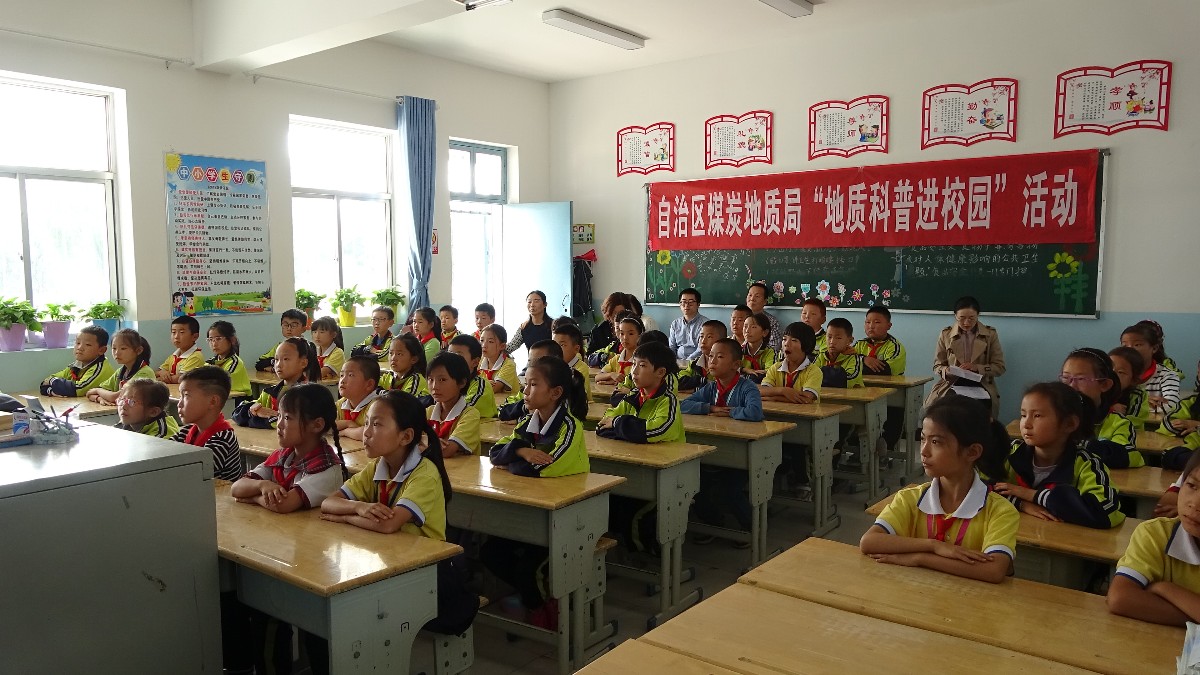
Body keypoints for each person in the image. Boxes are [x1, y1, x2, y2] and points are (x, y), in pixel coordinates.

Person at [860, 395, 1017, 583]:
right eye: (923, 439)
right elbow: (869, 542)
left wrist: (921, 558)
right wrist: (933, 546)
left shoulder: (999, 511)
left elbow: (993, 570)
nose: (924, 451)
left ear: (972, 452)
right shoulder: (910, 498)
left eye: (936, 442)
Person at [484, 356, 591, 629]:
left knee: (527, 568)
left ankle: (544, 606)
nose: (525, 391)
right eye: (526, 384)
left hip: (565, 517)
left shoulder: (570, 427)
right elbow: (495, 453)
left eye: (533, 385)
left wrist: (514, 462)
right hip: (532, 510)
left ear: (555, 393)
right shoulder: (528, 422)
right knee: (490, 552)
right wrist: (521, 451)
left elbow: (544, 468)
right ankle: (536, 598)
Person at [993, 382, 1125, 529]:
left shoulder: (1087, 464)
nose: (1026, 424)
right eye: (1023, 415)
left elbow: (1105, 511)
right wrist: (1021, 503)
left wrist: (1033, 495)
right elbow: (980, 486)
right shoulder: (1010, 451)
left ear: (1069, 424)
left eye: (1037, 416)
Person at [1108, 450, 1200, 626]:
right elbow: (1120, 598)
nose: (1195, 503)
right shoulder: (1156, 534)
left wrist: (1165, 589)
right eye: (1191, 486)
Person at [233, 383, 347, 512]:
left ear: (317, 425)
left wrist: (252, 498)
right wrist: (261, 485)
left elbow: (283, 504)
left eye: (287, 417)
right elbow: (236, 488)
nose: (279, 424)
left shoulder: (326, 468)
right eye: (279, 416)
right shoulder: (283, 456)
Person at [927, 296, 1006, 418]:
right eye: (962, 318)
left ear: (978, 315)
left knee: (978, 412)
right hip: (952, 383)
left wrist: (977, 368)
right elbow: (937, 365)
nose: (966, 323)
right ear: (955, 316)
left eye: (971, 318)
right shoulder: (946, 334)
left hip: (981, 384)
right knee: (942, 412)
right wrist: (946, 370)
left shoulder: (990, 335)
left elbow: (999, 367)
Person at [1060, 348, 1140, 468]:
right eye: (1066, 378)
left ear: (1104, 384)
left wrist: (1085, 445)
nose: (1072, 386)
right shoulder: (1054, 417)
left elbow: (1130, 456)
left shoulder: (1118, 423)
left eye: (1081, 379)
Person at [596, 341, 684, 444]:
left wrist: (618, 423)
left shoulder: (668, 401)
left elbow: (656, 431)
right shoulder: (633, 395)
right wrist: (632, 432)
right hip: (634, 452)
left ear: (660, 372)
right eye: (634, 364)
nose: (634, 371)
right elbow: (602, 425)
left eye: (642, 365)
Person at [171, 365, 241, 481]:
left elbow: (195, 472)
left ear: (213, 401)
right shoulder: (185, 432)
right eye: (180, 396)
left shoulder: (223, 438)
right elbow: (163, 455)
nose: (179, 404)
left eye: (186, 396)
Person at [236, 337, 320, 429]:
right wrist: (254, 411)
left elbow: (288, 423)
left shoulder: (309, 395)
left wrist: (253, 420)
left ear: (303, 363)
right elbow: (237, 413)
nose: (278, 365)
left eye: (286, 359)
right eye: (276, 359)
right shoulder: (269, 393)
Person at [855, 306, 907, 453]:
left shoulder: (895, 347)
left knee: (894, 413)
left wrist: (859, 363)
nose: (871, 326)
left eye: (877, 322)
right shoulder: (859, 344)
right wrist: (864, 359)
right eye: (867, 322)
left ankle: (885, 448)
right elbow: (846, 365)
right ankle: (859, 449)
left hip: (889, 393)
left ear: (889, 326)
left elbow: (884, 370)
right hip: (863, 391)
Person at [682, 338, 763, 421]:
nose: (712, 361)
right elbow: (684, 405)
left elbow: (755, 412)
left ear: (736, 364)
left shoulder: (747, 387)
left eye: (720, 356)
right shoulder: (712, 387)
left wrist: (730, 412)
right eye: (711, 356)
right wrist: (711, 408)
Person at [426, 351, 481, 457]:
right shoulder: (428, 412)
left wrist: (422, 442)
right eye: (430, 379)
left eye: (442, 380)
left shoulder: (470, 414)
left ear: (462, 382)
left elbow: (446, 451)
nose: (434, 386)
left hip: (463, 468)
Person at [1121, 322, 1181, 416]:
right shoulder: (1118, 373)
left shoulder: (1167, 375)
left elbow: (1171, 407)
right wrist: (1144, 401)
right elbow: (1105, 404)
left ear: (1154, 348)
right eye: (1125, 346)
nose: (1130, 350)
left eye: (1137, 345)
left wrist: (1139, 402)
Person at [85, 328, 154, 405]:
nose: (117, 353)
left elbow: (115, 397)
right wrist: (99, 398)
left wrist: (97, 391)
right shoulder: (120, 372)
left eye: (123, 348)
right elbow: (90, 393)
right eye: (114, 348)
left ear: (138, 350)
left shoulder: (145, 373)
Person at [40, 325, 114, 397]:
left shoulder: (100, 368)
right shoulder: (76, 365)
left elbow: (76, 389)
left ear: (101, 350)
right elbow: (44, 383)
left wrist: (52, 381)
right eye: (78, 343)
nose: (80, 347)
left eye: (88, 344)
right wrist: (51, 391)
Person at [761, 322, 821, 404]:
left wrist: (774, 397)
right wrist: (783, 391)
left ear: (806, 345)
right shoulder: (775, 368)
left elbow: (806, 399)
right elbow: (762, 391)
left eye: (793, 340)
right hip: (778, 410)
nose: (786, 344)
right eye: (784, 339)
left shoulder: (813, 371)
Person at [448, 334, 498, 419]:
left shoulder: (481, 386)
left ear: (475, 362)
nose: (450, 360)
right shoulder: (447, 381)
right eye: (449, 355)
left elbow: (459, 412)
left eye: (458, 356)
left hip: (484, 426)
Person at [334, 356, 382, 441]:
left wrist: (345, 432)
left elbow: (371, 434)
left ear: (369, 384)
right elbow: (325, 426)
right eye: (341, 375)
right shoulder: (341, 403)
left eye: (350, 375)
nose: (342, 380)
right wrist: (348, 423)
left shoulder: (377, 406)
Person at [113, 379, 179, 438]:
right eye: (122, 399)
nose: (123, 406)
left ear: (153, 412)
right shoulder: (129, 421)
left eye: (132, 402)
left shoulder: (162, 434)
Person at [205, 320, 252, 402]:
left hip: (240, 402)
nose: (214, 344)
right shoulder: (210, 362)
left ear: (232, 340)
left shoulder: (235, 362)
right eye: (211, 340)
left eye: (218, 339)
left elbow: (223, 382)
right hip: (222, 399)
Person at [816, 318, 864, 388]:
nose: (832, 342)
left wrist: (820, 374)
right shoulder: (821, 356)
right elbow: (808, 375)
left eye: (838, 338)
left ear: (850, 340)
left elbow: (847, 379)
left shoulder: (853, 358)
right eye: (829, 337)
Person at [678, 320, 726, 391]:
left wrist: (694, 389)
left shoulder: (725, 365)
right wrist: (700, 380)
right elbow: (679, 381)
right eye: (701, 336)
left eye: (709, 337)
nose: (703, 341)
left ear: (722, 341)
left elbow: (719, 387)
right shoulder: (694, 363)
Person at [156, 315, 205, 384]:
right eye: (173, 332)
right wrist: (161, 372)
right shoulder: (173, 356)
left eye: (182, 332)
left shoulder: (196, 357)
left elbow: (180, 378)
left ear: (195, 336)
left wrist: (158, 380)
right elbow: (156, 372)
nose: (176, 336)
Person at [595, 315, 643, 385]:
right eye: (622, 333)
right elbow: (597, 377)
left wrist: (615, 382)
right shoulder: (616, 359)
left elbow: (640, 384)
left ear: (639, 336)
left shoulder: (642, 361)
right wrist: (611, 374)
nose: (625, 338)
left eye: (631, 334)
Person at [379, 333, 429, 398]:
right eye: (391, 353)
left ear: (414, 359)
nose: (393, 358)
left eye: (399, 354)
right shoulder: (388, 376)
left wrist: (381, 392)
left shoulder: (416, 380)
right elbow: (373, 390)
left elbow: (403, 401)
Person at [585, 292, 629, 363]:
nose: (617, 317)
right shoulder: (598, 330)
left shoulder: (633, 330)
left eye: (621, 313)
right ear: (608, 313)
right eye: (614, 313)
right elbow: (589, 356)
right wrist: (603, 357)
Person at [506, 290, 553, 354]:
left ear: (545, 304)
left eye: (536, 301)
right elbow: (510, 347)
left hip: (551, 360)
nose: (532, 305)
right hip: (532, 360)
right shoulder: (524, 327)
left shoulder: (553, 325)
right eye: (529, 302)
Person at [669, 288, 708, 360]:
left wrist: (687, 362)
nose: (686, 305)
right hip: (677, 361)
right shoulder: (675, 323)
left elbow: (701, 348)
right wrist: (673, 361)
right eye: (683, 302)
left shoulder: (706, 324)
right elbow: (672, 346)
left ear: (698, 304)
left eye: (691, 302)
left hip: (697, 362)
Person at [479, 324, 519, 395]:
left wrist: (481, 383)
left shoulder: (509, 365)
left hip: (508, 401)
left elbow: (493, 389)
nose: (484, 345)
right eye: (482, 340)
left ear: (502, 346)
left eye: (490, 342)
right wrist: (485, 383)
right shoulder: (479, 361)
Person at [552, 322, 590, 394]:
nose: (556, 349)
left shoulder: (581, 368)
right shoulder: (552, 366)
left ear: (576, 349)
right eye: (554, 344)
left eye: (562, 345)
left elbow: (576, 395)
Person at [740, 312, 776, 383]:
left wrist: (753, 373)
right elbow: (731, 368)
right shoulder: (738, 350)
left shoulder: (770, 351)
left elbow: (769, 373)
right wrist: (745, 370)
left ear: (764, 332)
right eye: (745, 326)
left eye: (753, 327)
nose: (747, 330)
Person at [745, 282, 781, 351]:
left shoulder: (772, 322)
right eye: (750, 295)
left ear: (765, 301)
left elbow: (775, 347)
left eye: (757, 296)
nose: (752, 299)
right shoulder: (739, 318)